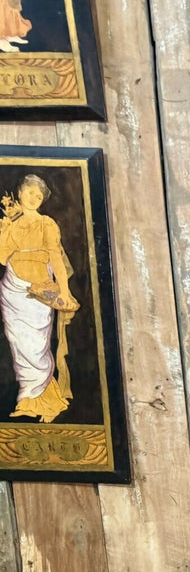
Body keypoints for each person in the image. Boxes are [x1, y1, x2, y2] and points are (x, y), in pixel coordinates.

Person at [0, 174, 78, 423]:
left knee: (36, 346)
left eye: (39, 194)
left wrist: (64, 291)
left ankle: (47, 400)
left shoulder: (47, 224)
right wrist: (5, 230)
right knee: (18, 344)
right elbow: (2, 258)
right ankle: (27, 400)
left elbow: (55, 258)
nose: (34, 197)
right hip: (13, 291)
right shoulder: (10, 224)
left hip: (39, 292)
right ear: (19, 193)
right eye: (29, 192)